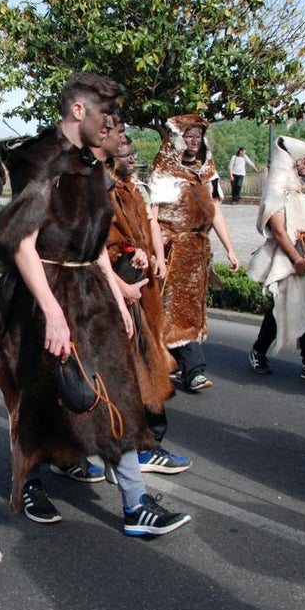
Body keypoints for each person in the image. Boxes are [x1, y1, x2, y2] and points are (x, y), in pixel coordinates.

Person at [0, 72, 191, 535]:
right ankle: (32, 481)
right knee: (40, 391)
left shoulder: (89, 163)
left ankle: (136, 505)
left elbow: (93, 240)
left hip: (90, 290)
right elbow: (22, 244)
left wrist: (117, 294)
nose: (111, 126)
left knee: (117, 388)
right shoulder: (39, 160)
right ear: (78, 110)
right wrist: (53, 314)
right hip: (43, 293)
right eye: (106, 116)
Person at [105, 132, 193, 475]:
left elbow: (149, 224)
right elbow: (96, 245)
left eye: (132, 152)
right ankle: (133, 449)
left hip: (141, 290)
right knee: (129, 368)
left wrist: (155, 256)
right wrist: (123, 266)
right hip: (118, 290)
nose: (131, 157)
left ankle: (143, 444)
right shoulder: (102, 189)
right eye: (125, 152)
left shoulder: (134, 189)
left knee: (148, 359)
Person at [148, 115, 241, 393]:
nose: (193, 140)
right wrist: (156, 254)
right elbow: (153, 216)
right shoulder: (164, 171)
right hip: (172, 250)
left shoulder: (206, 171)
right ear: (177, 139)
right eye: (188, 135)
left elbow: (215, 212)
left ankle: (174, 363)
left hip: (198, 251)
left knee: (190, 311)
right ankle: (195, 370)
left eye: (198, 136)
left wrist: (230, 249)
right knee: (176, 311)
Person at [247, 136, 305, 380]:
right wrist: (295, 259)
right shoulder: (277, 186)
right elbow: (277, 230)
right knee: (281, 309)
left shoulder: (301, 185)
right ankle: (258, 351)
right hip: (286, 259)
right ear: (291, 159)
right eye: (304, 158)